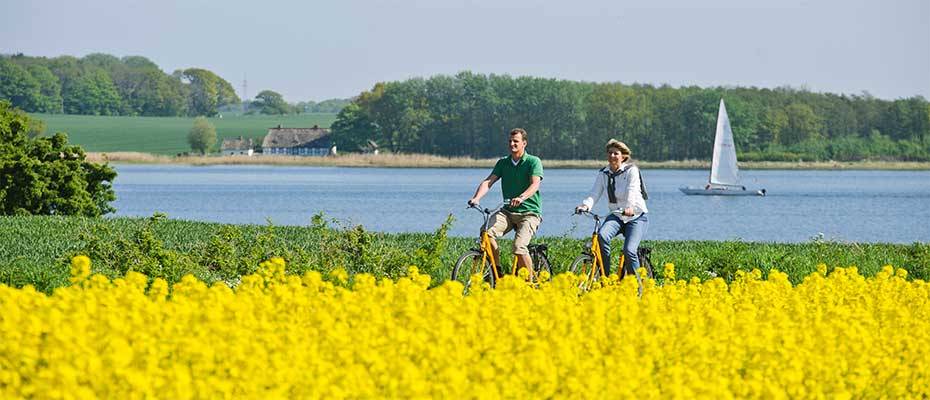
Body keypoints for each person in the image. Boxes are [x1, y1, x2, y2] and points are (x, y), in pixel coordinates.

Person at [468, 128, 544, 277]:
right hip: (508, 212)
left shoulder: (533, 161)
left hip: (529, 213)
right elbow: (488, 181)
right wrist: (476, 198)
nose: (512, 144)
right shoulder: (503, 162)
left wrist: (521, 197)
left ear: (524, 143)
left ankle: (530, 282)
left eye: (516, 141)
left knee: (518, 247)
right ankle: (496, 272)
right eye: (510, 141)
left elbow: (535, 185)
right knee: (486, 233)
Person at [575, 139, 648, 277]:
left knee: (629, 250)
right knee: (601, 236)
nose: (612, 156)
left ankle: (637, 284)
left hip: (636, 216)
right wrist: (585, 205)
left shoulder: (631, 171)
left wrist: (630, 207)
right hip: (617, 215)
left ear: (623, 156)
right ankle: (605, 277)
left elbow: (632, 190)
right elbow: (595, 193)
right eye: (610, 153)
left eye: (616, 153)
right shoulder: (604, 173)